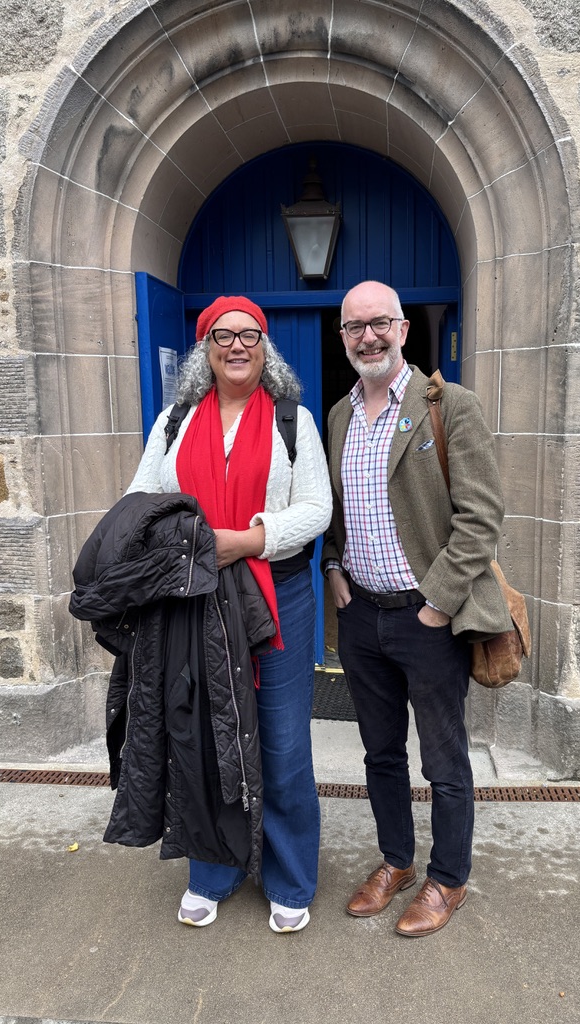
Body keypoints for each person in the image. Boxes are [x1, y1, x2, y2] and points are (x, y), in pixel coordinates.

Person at [126, 295, 332, 934]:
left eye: (249, 334)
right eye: (222, 335)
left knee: (284, 741)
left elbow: (317, 508)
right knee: (205, 734)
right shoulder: (174, 422)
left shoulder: (293, 421)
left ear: (264, 347)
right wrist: (178, 545)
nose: (236, 345)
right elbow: (141, 499)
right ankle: (212, 870)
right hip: (196, 599)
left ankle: (289, 876)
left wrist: (242, 540)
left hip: (279, 596)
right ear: (204, 348)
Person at [322, 280, 511, 937]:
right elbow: (338, 516)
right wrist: (333, 568)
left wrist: (435, 604)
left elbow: (482, 519)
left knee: (444, 761)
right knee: (380, 755)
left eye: (380, 323)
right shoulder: (339, 416)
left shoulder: (449, 406)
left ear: (403, 329)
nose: (367, 336)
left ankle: (449, 878)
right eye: (354, 327)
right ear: (342, 337)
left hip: (427, 619)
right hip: (363, 618)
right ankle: (397, 862)